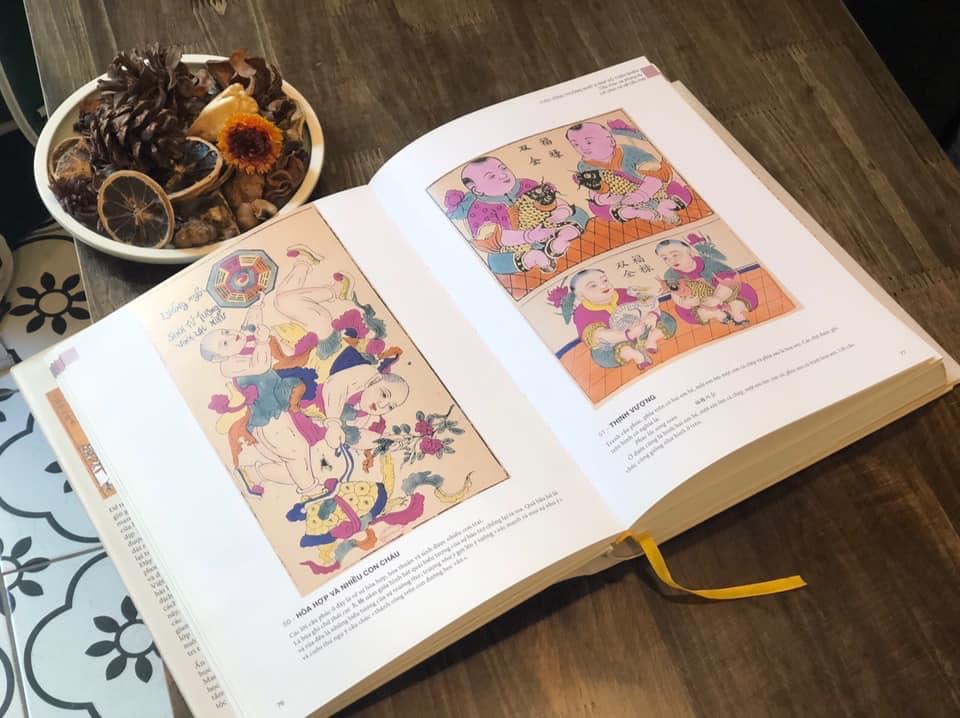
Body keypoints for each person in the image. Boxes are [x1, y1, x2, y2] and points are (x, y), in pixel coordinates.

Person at [444, 156, 588, 274]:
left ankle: (560, 241)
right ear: (477, 190)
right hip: (515, 245)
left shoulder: (526, 185)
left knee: (579, 213)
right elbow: (497, 238)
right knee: (495, 262)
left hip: (548, 228)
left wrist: (561, 211)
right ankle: (533, 258)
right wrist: (528, 236)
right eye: (492, 176)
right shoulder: (478, 211)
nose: (503, 175)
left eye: (503, 168)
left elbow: (551, 201)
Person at [566, 120, 692, 224]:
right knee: (595, 206)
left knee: (676, 187)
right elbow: (596, 188)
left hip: (652, 189)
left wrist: (640, 195)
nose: (582, 147)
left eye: (589, 142)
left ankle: (666, 206)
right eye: (575, 144)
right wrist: (605, 198)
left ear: (611, 141)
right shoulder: (584, 166)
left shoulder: (630, 152)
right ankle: (635, 212)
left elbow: (656, 175)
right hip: (622, 198)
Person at [561, 268, 677, 369]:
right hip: (615, 342)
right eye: (593, 286)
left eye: (604, 280)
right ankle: (634, 355)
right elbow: (599, 335)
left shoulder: (622, 293)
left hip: (641, 328)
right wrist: (628, 335)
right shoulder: (582, 313)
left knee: (666, 319)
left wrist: (652, 316)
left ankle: (652, 339)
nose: (603, 286)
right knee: (601, 355)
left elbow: (648, 304)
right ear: (581, 295)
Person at [655, 236, 757, 326]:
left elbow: (730, 275)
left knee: (735, 292)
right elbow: (676, 294)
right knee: (688, 310)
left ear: (689, 252)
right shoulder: (671, 275)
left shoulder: (707, 262)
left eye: (675, 255)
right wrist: (686, 301)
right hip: (700, 301)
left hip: (721, 293)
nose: (671, 260)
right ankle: (718, 314)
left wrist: (718, 295)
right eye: (665, 258)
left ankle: (734, 312)